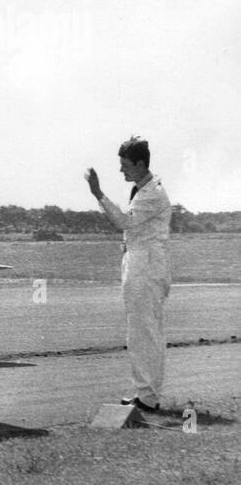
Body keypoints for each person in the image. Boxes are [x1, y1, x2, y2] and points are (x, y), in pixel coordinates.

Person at [84, 136, 172, 411]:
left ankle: (148, 396)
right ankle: (146, 393)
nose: (121, 170)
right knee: (141, 330)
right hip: (139, 260)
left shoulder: (152, 193)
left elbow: (123, 221)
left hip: (145, 264)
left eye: (125, 165)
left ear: (140, 163)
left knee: (143, 330)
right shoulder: (141, 189)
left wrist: (98, 194)